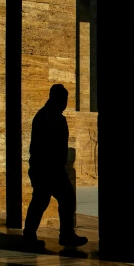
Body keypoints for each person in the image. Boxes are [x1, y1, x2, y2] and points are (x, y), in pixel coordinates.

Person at [21, 84, 88, 250]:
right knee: (61, 199)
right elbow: (48, 146)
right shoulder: (50, 116)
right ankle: (64, 235)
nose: (66, 103)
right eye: (64, 99)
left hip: (46, 168)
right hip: (48, 168)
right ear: (56, 98)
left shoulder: (47, 115)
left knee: (42, 200)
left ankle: (32, 235)